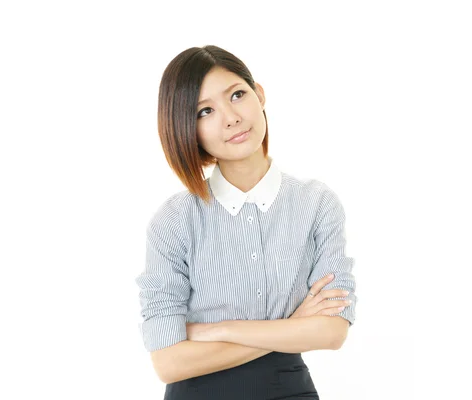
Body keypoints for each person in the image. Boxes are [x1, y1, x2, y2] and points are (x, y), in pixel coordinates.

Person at [135, 45, 357, 400]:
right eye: (205, 111)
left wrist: (217, 330)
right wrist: (292, 327)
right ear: (186, 128)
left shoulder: (316, 204)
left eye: (237, 95)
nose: (230, 118)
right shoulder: (174, 222)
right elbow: (169, 362)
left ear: (260, 94)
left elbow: (331, 332)